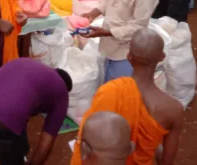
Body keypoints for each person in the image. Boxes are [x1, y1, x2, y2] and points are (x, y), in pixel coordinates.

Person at [71, 29, 184, 165]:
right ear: (162, 57)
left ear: (129, 57)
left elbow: (88, 141)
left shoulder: (109, 91)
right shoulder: (174, 109)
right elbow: (167, 161)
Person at [0, 58, 70, 165]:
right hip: (0, 121)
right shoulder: (62, 91)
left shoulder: (27, 63)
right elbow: (47, 139)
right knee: (16, 149)